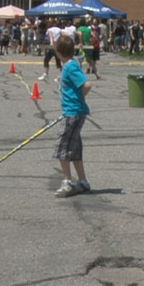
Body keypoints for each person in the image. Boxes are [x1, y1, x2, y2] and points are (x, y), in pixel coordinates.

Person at [52, 34, 93, 197]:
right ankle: (83, 181)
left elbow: (87, 84)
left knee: (61, 147)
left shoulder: (70, 67)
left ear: (59, 51)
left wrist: (79, 99)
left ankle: (68, 181)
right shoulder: (68, 66)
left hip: (74, 113)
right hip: (72, 112)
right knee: (74, 148)